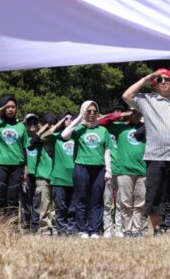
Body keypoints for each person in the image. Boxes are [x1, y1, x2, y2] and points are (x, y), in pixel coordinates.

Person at [122, 69, 170, 235]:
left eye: (167, 79)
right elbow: (126, 96)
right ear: (155, 84)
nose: (163, 82)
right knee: (155, 193)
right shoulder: (147, 100)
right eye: (160, 80)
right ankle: (156, 229)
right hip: (155, 155)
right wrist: (145, 79)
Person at [61, 101, 111, 238]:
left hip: (99, 168)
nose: (92, 114)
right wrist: (78, 119)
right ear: (84, 112)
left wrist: (108, 170)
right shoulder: (79, 129)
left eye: (95, 111)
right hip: (81, 167)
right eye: (89, 111)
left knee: (96, 200)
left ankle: (94, 229)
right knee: (81, 199)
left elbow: (107, 149)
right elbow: (64, 135)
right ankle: (82, 229)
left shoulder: (103, 130)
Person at [101, 110, 148, 237]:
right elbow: (102, 122)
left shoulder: (146, 128)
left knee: (140, 202)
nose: (136, 115)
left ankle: (136, 229)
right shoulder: (121, 127)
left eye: (139, 113)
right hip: (124, 170)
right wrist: (122, 114)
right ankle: (126, 230)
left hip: (142, 169)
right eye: (134, 112)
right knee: (125, 202)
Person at [48, 114, 77, 236]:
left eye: (71, 119)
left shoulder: (77, 137)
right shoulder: (56, 138)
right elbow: (45, 135)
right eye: (66, 119)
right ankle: (61, 230)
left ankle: (72, 229)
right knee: (60, 206)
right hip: (59, 178)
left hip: (75, 178)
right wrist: (60, 122)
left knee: (73, 207)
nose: (69, 121)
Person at [29, 113, 57, 236]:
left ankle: (55, 228)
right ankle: (45, 230)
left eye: (53, 123)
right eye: (48, 124)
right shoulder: (39, 139)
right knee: (44, 205)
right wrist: (43, 128)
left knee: (55, 205)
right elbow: (32, 142)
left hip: (56, 176)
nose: (51, 126)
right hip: (42, 176)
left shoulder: (58, 137)